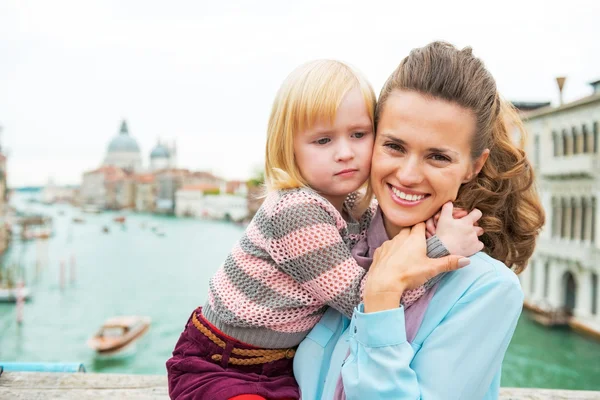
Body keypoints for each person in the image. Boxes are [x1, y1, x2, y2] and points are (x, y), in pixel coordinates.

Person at [166, 59, 481, 400]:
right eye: (322, 141)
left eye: (358, 135)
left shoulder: (349, 206)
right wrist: (442, 248)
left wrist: (428, 226)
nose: (345, 153)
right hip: (221, 364)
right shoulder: (296, 213)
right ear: (290, 149)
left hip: (278, 366)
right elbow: (366, 299)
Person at [293, 41, 545, 400]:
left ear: (474, 166)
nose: (408, 175)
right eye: (394, 146)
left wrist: (381, 299)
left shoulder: (487, 290)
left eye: (438, 157)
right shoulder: (330, 245)